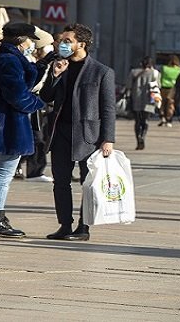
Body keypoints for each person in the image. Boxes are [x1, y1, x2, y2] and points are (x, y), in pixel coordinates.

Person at [39, 23, 116, 241]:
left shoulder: (102, 72)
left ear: (81, 44)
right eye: (61, 40)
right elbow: (46, 96)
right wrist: (54, 75)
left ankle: (84, 227)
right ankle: (64, 224)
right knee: (60, 182)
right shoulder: (59, 65)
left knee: (88, 184)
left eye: (67, 41)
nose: (62, 44)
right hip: (60, 132)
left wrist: (108, 139)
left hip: (88, 136)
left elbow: (108, 108)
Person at [0, 23, 44, 238]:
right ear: (20, 40)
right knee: (4, 172)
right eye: (29, 40)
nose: (31, 45)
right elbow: (17, 95)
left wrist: (41, 67)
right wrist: (38, 102)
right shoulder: (10, 61)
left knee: (2, 171)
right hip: (9, 125)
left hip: (2, 122)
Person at [14, 26, 54, 183]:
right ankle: (33, 171)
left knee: (38, 137)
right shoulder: (29, 61)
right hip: (30, 103)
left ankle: (30, 168)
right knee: (36, 138)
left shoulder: (38, 61)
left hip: (38, 104)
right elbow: (33, 84)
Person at [126, 56, 159, 150]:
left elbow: (128, 85)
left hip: (136, 99)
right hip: (149, 100)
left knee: (137, 121)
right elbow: (157, 86)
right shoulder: (155, 73)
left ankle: (138, 138)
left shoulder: (134, 72)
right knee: (145, 120)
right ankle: (143, 136)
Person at [158, 55, 180, 127]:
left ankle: (162, 117)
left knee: (162, 103)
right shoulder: (179, 70)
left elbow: (160, 76)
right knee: (170, 104)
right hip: (173, 88)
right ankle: (169, 120)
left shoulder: (164, 68)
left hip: (164, 87)